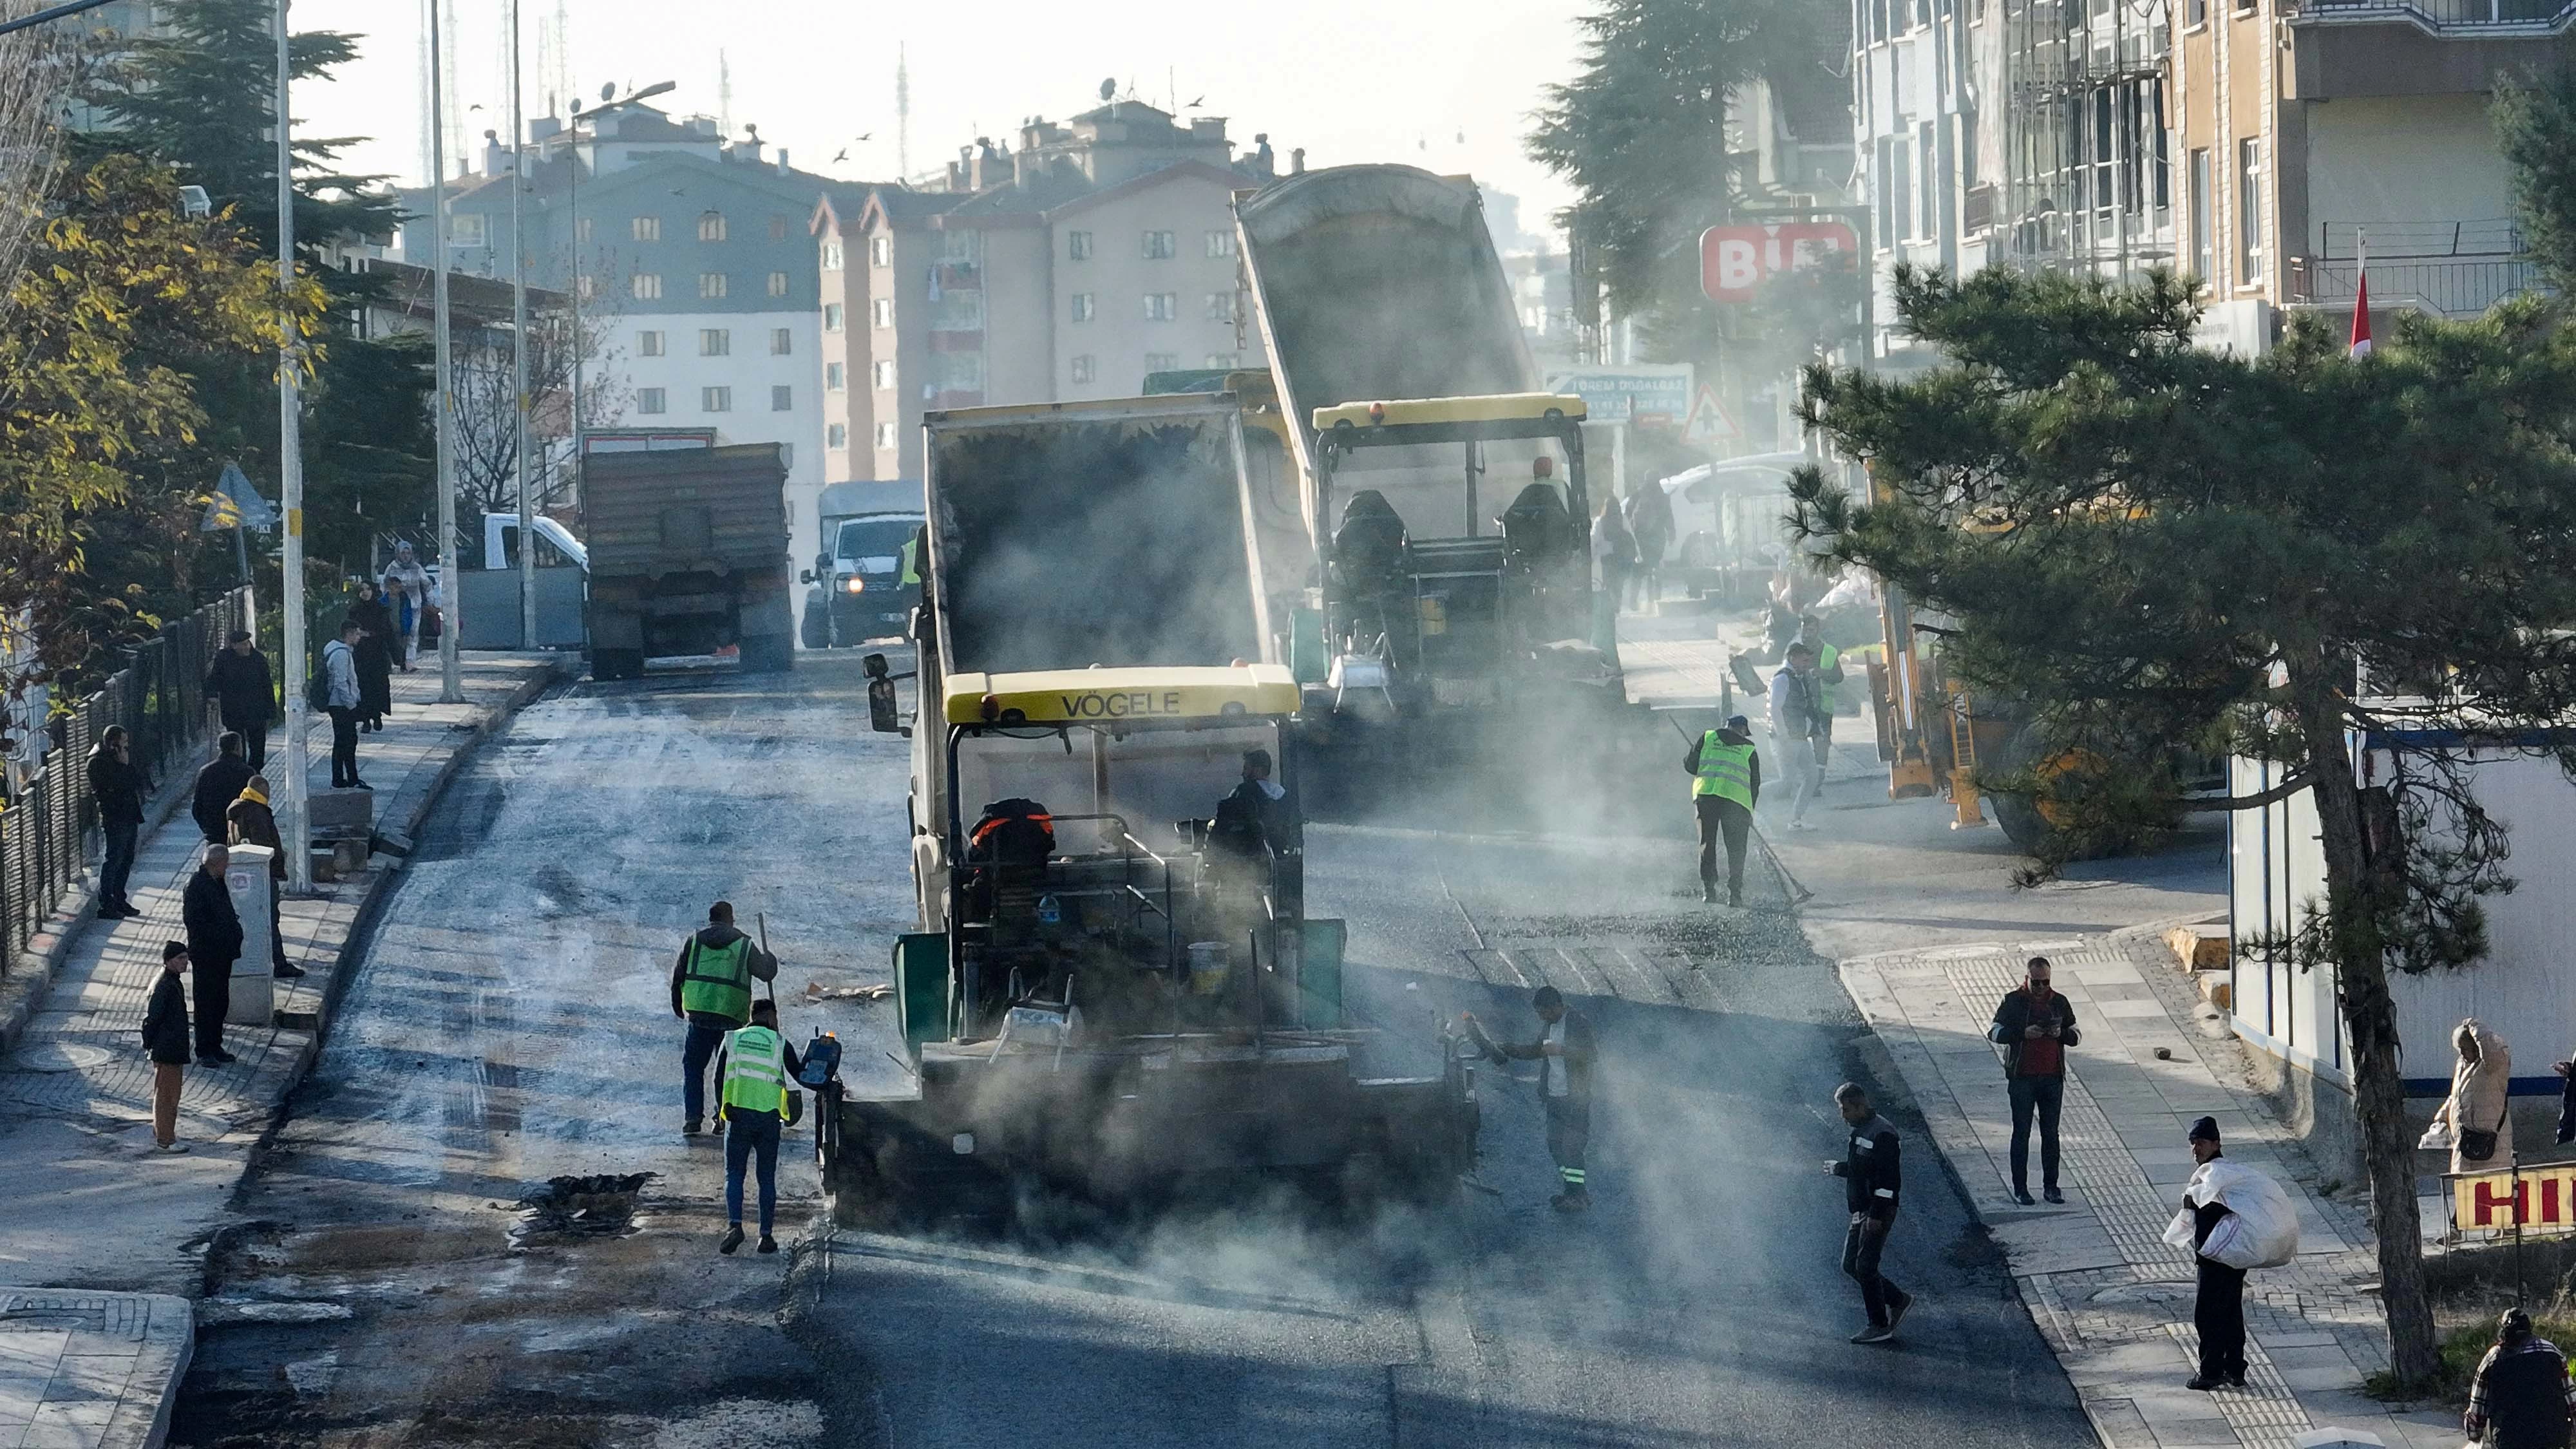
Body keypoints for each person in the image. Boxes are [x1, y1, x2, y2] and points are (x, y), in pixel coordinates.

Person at [1471, 985, 1597, 1213]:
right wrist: (1503, 1048)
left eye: (1545, 1013)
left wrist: (1562, 1050)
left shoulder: (1578, 1022)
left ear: (1557, 1006)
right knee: (1555, 1146)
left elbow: (1590, 1055)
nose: (1543, 1018)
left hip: (1575, 1099)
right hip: (1554, 1098)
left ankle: (1578, 1196)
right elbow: (1536, 1051)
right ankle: (1574, 1192)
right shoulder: (1550, 1024)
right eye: (1540, 1014)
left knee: (1572, 1148)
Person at [671, 900, 779, 1135]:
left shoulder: (694, 941)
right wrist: (769, 958)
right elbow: (765, 972)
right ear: (731, 919)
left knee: (693, 1067)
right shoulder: (744, 945)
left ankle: (692, 1119)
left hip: (699, 1016)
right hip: (731, 1019)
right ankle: (721, 1118)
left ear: (711, 919)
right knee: (727, 1072)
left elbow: (678, 975)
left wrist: (677, 1005)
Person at [1989, 956, 2082, 1206]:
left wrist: (2059, 1033)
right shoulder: (2013, 1002)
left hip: (2052, 1078)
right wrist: (2022, 1034)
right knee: (2021, 1133)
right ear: (2026, 979)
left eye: (2045, 983)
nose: (2041, 988)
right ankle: (2021, 1188)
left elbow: (2076, 1035)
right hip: (2022, 1079)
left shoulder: (2059, 1002)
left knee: (2051, 1134)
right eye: (2036, 983)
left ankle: (2051, 1187)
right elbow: (1994, 1032)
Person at [714, 997, 804, 1255]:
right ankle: (766, 1236)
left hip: (737, 1116)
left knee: (734, 1174)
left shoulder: (732, 1039)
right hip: (768, 1120)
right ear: (771, 1016)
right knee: (766, 1179)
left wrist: (721, 1112)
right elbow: (801, 1074)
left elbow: (718, 1078)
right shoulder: (779, 1043)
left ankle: (735, 1227)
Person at [1824, 1081, 1913, 1343]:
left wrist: (1875, 1215)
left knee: (1865, 1267)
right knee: (1850, 1264)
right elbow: (1864, 1168)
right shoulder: (1862, 1129)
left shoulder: (1883, 1134)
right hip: (1862, 1210)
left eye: (1846, 1110)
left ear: (1861, 1105)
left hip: (1876, 1212)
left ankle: (1879, 1325)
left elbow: (1888, 1182)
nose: (1843, 1116)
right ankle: (1899, 1300)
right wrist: (1841, 1168)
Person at [2181, 1115, 2246, 1389]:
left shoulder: (2214, 1175)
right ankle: (2235, 1369)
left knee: (2207, 1316)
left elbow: (2206, 1204)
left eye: (2202, 1143)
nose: (2196, 1149)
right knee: (2231, 1314)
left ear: (2216, 1143)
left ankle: (2210, 1372)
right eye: (2193, 1143)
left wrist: (2191, 1199)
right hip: (2233, 1256)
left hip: (2214, 1258)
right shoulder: (2223, 1172)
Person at [2465, 1307, 2575, 1449]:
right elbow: (2572, 1399)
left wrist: (2474, 1434)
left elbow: (2477, 1406)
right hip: (2553, 1437)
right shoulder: (2552, 1352)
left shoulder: (2493, 1358)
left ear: (2503, 1333)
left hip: (2509, 1439)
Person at [225, 774, 301, 979]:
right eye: (267, 791)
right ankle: (279, 963)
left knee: (252, 920)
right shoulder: (256, 812)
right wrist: (276, 863)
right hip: (262, 876)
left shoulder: (237, 809)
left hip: (243, 875)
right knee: (270, 920)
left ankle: (262, 960)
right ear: (261, 791)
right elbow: (263, 847)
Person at [1683, 715, 1761, 905]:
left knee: (1707, 844)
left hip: (1706, 797)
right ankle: (1735, 895)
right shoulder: (1749, 749)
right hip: (1736, 801)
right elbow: (1755, 784)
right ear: (1743, 730)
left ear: (1727, 726)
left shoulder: (1708, 737)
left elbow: (1690, 766)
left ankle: (1709, 891)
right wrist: (1750, 811)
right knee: (1736, 848)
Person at [181, 846, 242, 1065]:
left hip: (222, 953)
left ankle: (216, 1045)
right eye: (226, 863)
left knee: (220, 1001)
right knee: (206, 1003)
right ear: (217, 863)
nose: (228, 867)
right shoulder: (197, 886)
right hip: (207, 954)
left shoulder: (217, 882)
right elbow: (195, 923)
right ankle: (204, 1049)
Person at [2434, 1018, 2514, 1177]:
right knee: (2466, 1193)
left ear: (2477, 1047)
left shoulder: (2494, 1065)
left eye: (2465, 1048)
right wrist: (2443, 1116)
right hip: (2465, 1142)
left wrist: (2474, 1027)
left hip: (2491, 1143)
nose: (2462, 1053)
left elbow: (2491, 1049)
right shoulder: (2462, 1064)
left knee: (2491, 1191)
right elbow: (2457, 1094)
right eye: (2459, 1049)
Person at [88, 725, 150, 920]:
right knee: (114, 859)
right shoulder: (97, 762)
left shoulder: (122, 759)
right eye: (123, 742)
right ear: (113, 743)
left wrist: (126, 763)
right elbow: (115, 786)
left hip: (129, 815)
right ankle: (106, 903)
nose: (126, 746)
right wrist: (122, 765)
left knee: (126, 859)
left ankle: (119, 898)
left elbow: (137, 782)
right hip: (114, 817)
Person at [1768, 643, 1832, 829]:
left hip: (1799, 737)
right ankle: (1748, 797)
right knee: (1785, 781)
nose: (1807, 664)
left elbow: (1806, 707)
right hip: (1787, 738)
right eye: (1804, 660)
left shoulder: (1797, 677)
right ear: (1793, 658)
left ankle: (1796, 820)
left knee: (1812, 776)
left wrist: (1815, 731)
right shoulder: (1783, 679)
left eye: (1808, 661)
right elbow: (1774, 708)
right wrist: (1783, 735)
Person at [141, 941, 193, 1153]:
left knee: (167, 1093)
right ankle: (165, 1140)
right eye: (180, 959)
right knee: (167, 1096)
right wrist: (150, 1043)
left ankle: (163, 1133)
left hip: (171, 1047)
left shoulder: (170, 981)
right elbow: (152, 1018)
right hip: (168, 1048)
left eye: (186, 958)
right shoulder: (165, 986)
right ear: (169, 960)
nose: (185, 963)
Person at [204, 629, 277, 768]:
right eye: (242, 645)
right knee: (236, 742)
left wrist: (270, 710)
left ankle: (255, 771)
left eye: (247, 643)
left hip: (256, 709)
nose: (246, 647)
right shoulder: (224, 659)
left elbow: (267, 685)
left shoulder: (258, 660)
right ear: (234, 646)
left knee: (258, 744)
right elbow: (214, 679)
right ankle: (238, 769)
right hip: (233, 709)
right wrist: (212, 695)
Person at [1208, 748, 1285, 864]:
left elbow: (1223, 818)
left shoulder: (1242, 792)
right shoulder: (1281, 794)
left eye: (1246, 768)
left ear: (1258, 770)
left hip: (1245, 854)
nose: (1242, 773)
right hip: (1275, 850)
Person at [322, 618, 366, 790]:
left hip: (340, 704)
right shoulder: (341, 654)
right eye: (357, 634)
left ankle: (349, 777)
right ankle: (342, 779)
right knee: (345, 742)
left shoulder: (338, 650)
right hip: (340, 705)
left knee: (346, 742)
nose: (359, 637)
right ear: (349, 634)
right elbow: (341, 683)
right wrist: (352, 706)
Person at [346, 583, 395, 732]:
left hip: (378, 655)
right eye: (361, 590)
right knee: (362, 687)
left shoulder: (381, 610)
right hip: (360, 656)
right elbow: (349, 630)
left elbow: (388, 632)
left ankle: (377, 716)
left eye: (368, 589)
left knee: (378, 686)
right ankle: (365, 721)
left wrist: (397, 656)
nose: (365, 593)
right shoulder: (354, 611)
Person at [191, 732, 254, 846]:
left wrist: (207, 828)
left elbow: (197, 807)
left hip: (214, 832)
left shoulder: (206, 772)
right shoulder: (247, 772)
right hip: (239, 832)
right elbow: (253, 804)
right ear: (237, 748)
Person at [1589, 497, 1635, 652]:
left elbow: (1594, 540)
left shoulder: (1600, 521)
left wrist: (1592, 556)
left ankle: (1611, 606)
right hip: (1621, 559)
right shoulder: (1622, 519)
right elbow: (1631, 536)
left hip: (1607, 560)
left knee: (1607, 584)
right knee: (1619, 584)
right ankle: (1617, 605)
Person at [1624, 480, 1673, 615]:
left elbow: (1627, 515)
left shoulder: (1637, 495)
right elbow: (1669, 517)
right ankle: (1654, 601)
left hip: (1640, 538)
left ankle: (1633, 602)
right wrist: (1671, 534)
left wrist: (1629, 533)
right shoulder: (1662, 497)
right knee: (1654, 570)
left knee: (1638, 571)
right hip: (1657, 539)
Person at [383, 542, 432, 667]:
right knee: (395, 633)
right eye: (403, 553)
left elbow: (427, 584)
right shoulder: (392, 568)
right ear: (398, 554)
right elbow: (384, 585)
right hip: (397, 606)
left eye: (408, 553)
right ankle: (397, 661)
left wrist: (430, 601)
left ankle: (410, 662)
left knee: (413, 633)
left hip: (414, 605)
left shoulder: (417, 568)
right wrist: (386, 600)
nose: (405, 556)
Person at [382, 575, 413, 672]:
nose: (398, 589)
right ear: (389, 587)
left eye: (399, 587)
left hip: (401, 627)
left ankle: (402, 666)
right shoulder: (383, 601)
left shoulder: (404, 599)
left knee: (402, 647)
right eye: (396, 587)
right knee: (388, 647)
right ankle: (389, 666)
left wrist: (407, 628)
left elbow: (408, 614)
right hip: (388, 628)